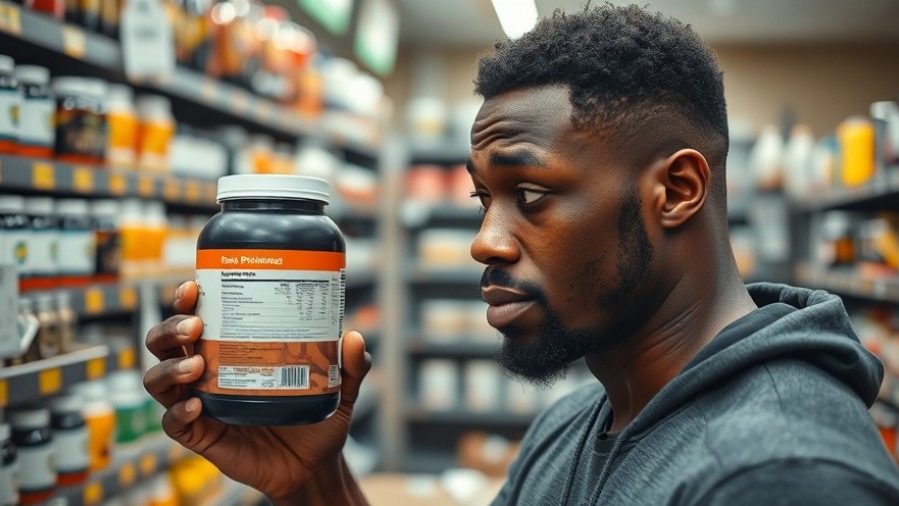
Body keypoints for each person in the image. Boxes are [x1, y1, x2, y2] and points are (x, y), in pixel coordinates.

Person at [143, 4, 899, 505]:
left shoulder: (779, 477)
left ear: (674, 191)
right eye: (482, 199)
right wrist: (312, 479)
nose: (484, 240)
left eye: (529, 195)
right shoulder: (576, 422)